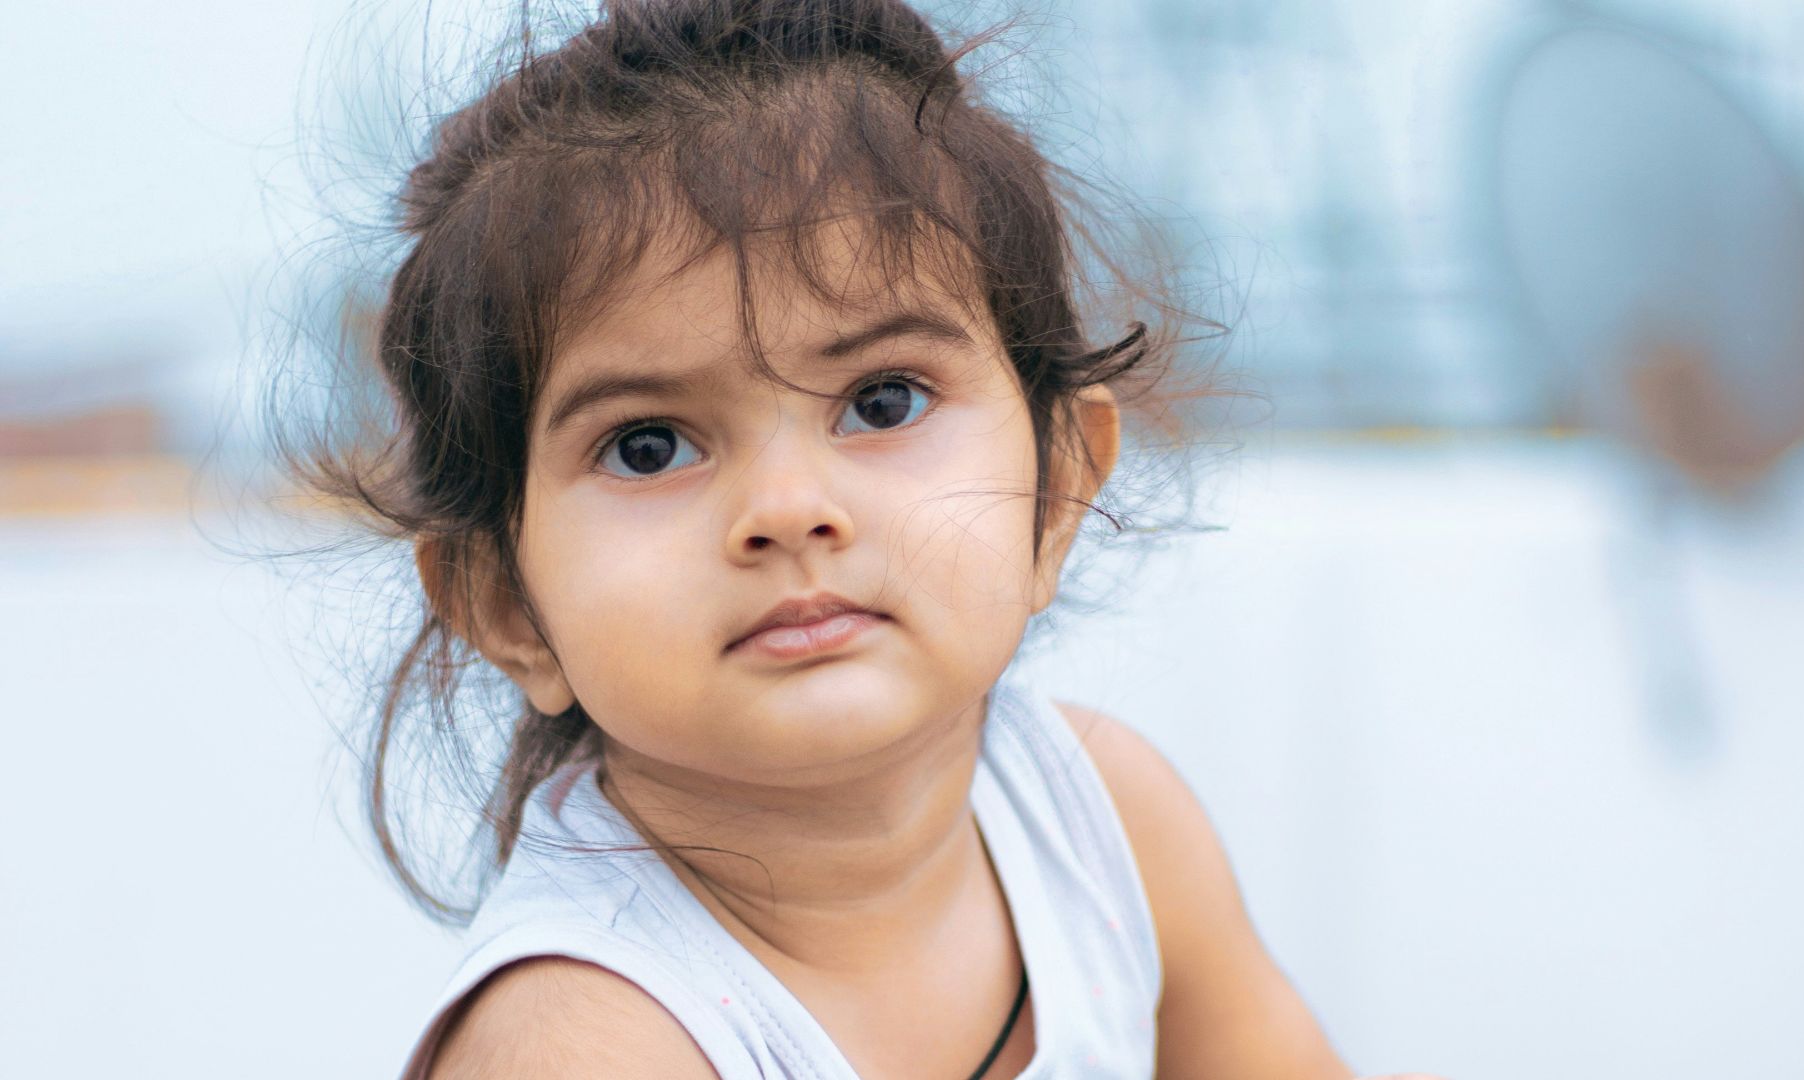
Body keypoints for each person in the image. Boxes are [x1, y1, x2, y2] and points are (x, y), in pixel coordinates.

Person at [283, 1, 1447, 1076]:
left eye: (882, 401)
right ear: (505, 606)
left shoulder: (1105, 825)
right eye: (649, 446)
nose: (789, 508)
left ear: (1058, 493)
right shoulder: (591, 1041)